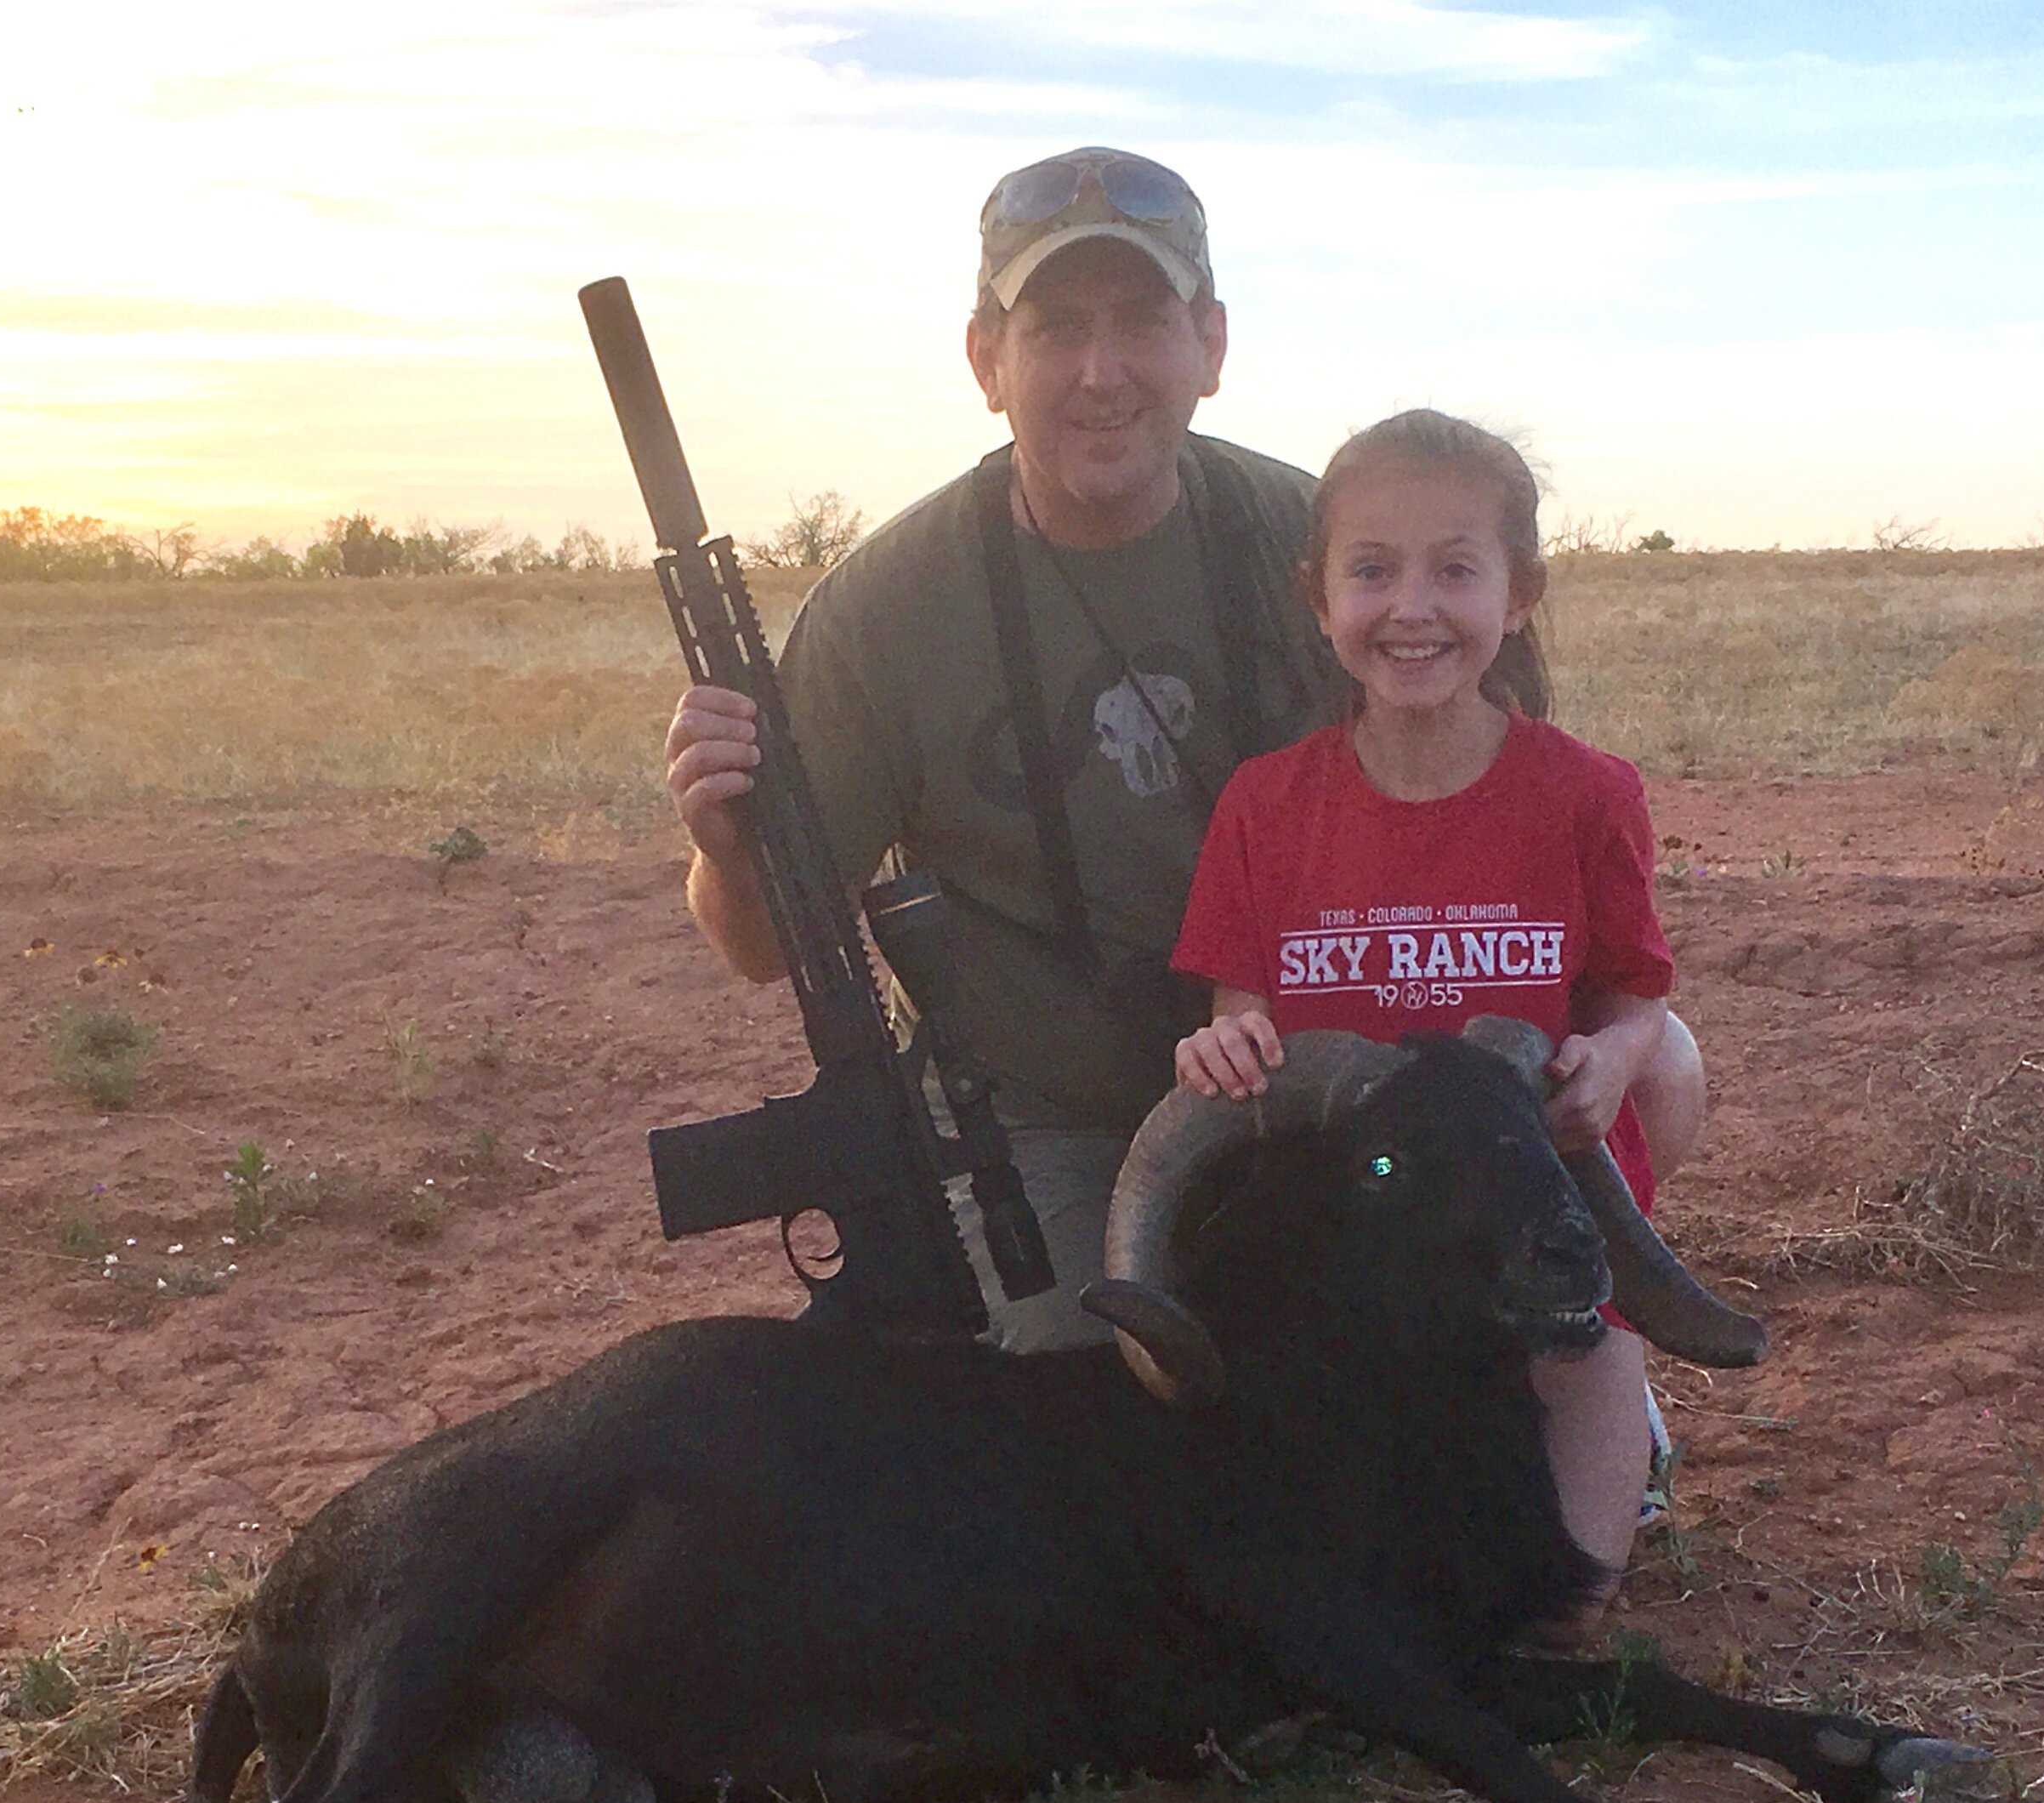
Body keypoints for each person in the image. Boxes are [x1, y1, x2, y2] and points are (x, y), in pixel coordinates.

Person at [665, 147, 1336, 1347]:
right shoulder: (881, 610)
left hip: (1315, 1087)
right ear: (987, 360)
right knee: (1078, 1418)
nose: (1100, 373)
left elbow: (1485, 808)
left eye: (1142, 321)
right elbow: (766, 949)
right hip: (1049, 1122)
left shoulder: (1330, 540)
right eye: (1055, 328)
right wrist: (724, 846)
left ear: (1211, 347)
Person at [1171, 408, 1706, 1606]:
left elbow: (1631, 995)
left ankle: (1608, 1387)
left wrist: (1617, 1057)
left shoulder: (1585, 793)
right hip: (1360, 1227)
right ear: (1318, 600)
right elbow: (1235, 1006)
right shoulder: (1261, 806)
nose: (1410, 607)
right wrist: (1224, 1039)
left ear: (1518, 594)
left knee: (1564, 1608)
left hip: (1530, 1204)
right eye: (1371, 571)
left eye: (1454, 569)